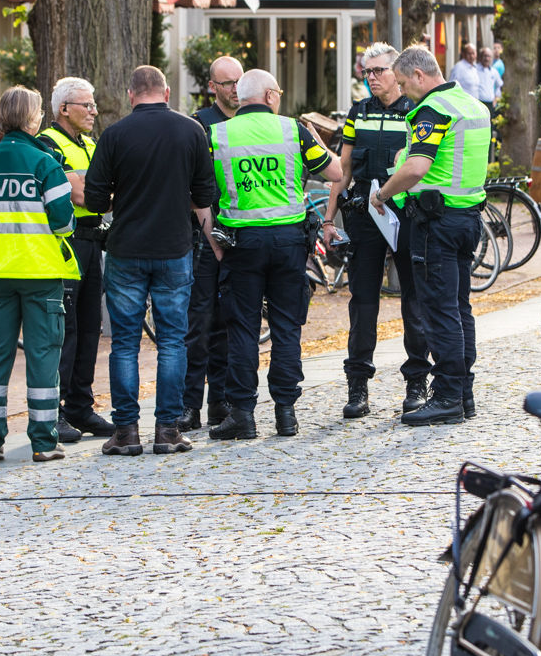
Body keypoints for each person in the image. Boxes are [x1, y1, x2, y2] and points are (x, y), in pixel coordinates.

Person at [83, 65, 219, 456]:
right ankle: (168, 429)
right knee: (173, 341)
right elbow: (205, 192)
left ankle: (125, 431)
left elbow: (94, 201)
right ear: (167, 91)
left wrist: (119, 198)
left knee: (124, 343)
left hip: (126, 250)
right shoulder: (191, 131)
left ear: (130, 95)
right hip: (174, 249)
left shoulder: (113, 135)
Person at [208, 69, 343, 440]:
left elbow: (201, 188)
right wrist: (316, 138)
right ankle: (286, 413)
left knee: (243, 329)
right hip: (288, 242)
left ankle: (243, 415)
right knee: (286, 327)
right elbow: (335, 170)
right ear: (269, 96)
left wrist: (213, 239)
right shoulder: (292, 130)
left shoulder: (217, 134)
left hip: (241, 243)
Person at [0, 87, 78, 464]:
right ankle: (43, 441)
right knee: (42, 355)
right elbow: (64, 222)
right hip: (40, 275)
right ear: (31, 118)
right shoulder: (45, 164)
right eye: (38, 113)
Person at [370, 46, 489, 426]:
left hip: (435, 224)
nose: (403, 92)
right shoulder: (473, 105)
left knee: (439, 311)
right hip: (468, 217)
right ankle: (464, 392)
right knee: (459, 306)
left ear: (419, 76)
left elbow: (418, 168)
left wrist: (383, 193)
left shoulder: (432, 110)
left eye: (404, 83)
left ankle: (449, 394)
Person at [323, 42, 430, 419]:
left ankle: (417, 381)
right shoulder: (359, 112)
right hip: (364, 216)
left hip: (406, 214)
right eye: (366, 72)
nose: (371, 78)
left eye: (378, 71)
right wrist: (328, 218)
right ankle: (358, 387)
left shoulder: (416, 110)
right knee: (362, 302)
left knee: (413, 301)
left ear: (396, 72)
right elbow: (344, 168)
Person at [36, 77, 112, 444]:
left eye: (94, 104)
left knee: (89, 327)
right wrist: (92, 187)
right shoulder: (49, 144)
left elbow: (105, 189)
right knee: (64, 331)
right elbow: (81, 194)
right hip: (64, 244)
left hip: (93, 241)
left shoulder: (92, 145)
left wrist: (91, 186)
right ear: (64, 109)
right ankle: (55, 411)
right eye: (87, 105)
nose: (94, 111)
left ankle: (80, 405)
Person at [177, 54, 243, 432]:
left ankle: (222, 401)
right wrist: (209, 232)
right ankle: (191, 405)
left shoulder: (255, 123)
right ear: (212, 88)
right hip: (204, 237)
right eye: (227, 82)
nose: (234, 88)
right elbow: (191, 187)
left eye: (239, 81)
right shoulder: (199, 126)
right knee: (198, 324)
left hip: (242, 235)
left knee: (232, 324)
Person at [448, 42, 482, 106]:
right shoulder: (458, 67)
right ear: (463, 54)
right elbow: (451, 86)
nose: (471, 56)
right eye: (469, 53)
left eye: (473, 53)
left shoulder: (475, 68)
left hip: (475, 105)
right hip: (463, 105)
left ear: (476, 54)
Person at [477, 45, 501, 116]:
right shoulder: (474, 70)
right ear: (480, 57)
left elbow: (498, 86)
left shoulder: (494, 72)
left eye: (489, 56)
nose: (487, 58)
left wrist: (495, 100)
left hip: (490, 105)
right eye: (485, 56)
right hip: (478, 104)